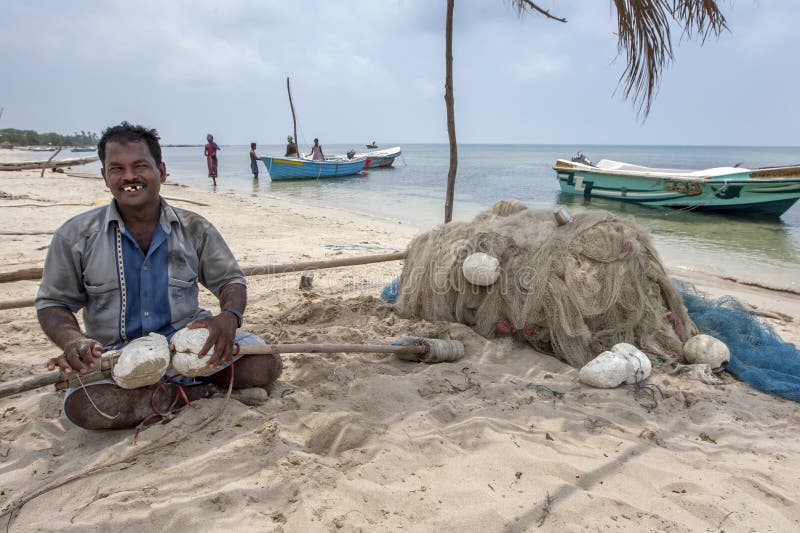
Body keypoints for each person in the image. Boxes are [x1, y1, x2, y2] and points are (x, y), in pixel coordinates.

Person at [35, 122, 282, 430]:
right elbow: (53, 303)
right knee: (85, 407)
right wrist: (73, 341)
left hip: (188, 349)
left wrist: (229, 317)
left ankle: (168, 393)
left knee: (264, 363)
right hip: (116, 359)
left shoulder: (194, 228)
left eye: (140, 166)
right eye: (117, 169)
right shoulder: (76, 235)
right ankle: (193, 394)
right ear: (105, 177)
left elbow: (231, 280)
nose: (129, 177)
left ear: (162, 172)